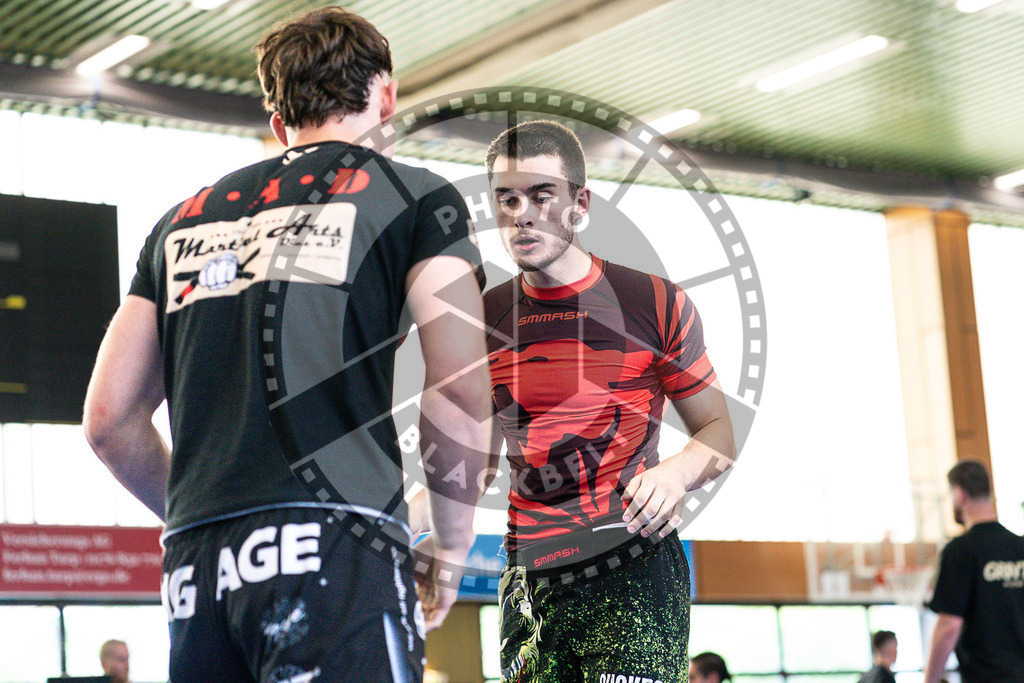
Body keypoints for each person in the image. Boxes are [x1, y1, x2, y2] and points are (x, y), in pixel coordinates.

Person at [83, 7, 492, 682]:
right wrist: (449, 542)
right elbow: (458, 381)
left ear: (279, 122)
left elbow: (108, 422)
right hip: (337, 545)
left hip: (198, 568)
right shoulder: (415, 198)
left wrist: (203, 514)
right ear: (386, 94)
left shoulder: (179, 223)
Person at [484, 120, 736, 682]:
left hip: (633, 567)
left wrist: (676, 472)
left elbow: (719, 428)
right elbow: (470, 462)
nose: (523, 213)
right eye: (508, 199)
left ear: (580, 204)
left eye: (542, 195)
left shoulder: (652, 302)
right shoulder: (482, 319)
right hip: (531, 580)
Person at [923, 460, 1024, 683]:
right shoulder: (1021, 547)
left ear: (959, 494)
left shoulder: (960, 550)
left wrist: (929, 680)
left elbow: (949, 626)